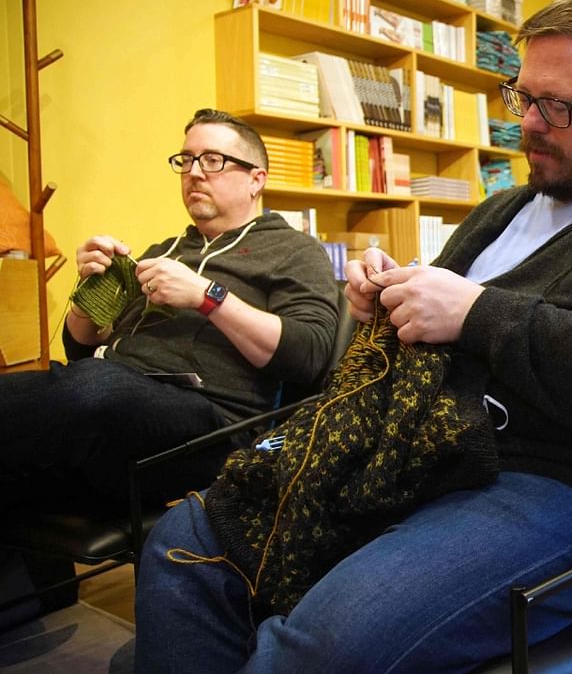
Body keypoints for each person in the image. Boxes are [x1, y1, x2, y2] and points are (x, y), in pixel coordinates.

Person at [133, 1, 572, 671]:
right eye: (522, 97)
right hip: (429, 450)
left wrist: (477, 313)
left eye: (555, 105)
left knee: (325, 646)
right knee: (189, 540)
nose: (528, 123)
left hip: (569, 485)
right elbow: (437, 321)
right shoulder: (504, 208)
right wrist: (387, 301)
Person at [0, 108, 340, 509]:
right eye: (186, 160)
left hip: (212, 427)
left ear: (256, 179)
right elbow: (83, 347)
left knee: (94, 388)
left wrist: (207, 296)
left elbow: (309, 356)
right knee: (23, 469)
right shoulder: (164, 251)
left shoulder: (295, 250)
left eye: (213, 160)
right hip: (112, 412)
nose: (195, 172)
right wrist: (91, 292)